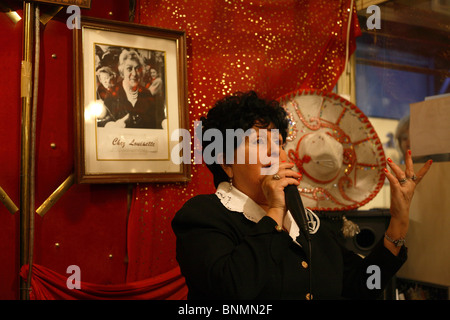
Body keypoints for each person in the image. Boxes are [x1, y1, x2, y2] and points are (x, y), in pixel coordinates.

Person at [171, 90, 432, 300]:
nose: (277, 153)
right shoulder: (203, 215)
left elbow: (362, 284)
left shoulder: (304, 221)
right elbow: (232, 291)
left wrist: (398, 222)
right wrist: (274, 211)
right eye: (260, 142)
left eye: (281, 144)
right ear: (226, 162)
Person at [97, 49, 166, 129]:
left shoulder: (147, 94)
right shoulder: (112, 93)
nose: (134, 73)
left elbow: (156, 123)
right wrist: (114, 125)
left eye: (137, 69)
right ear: (122, 72)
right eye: (129, 69)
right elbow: (101, 124)